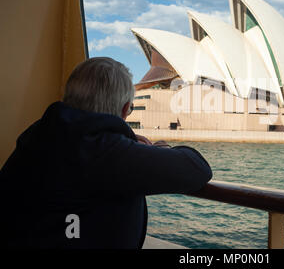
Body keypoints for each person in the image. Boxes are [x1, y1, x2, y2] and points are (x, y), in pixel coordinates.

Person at [0, 57, 213, 249]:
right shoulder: (105, 151)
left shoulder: (41, 132)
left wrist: (126, 143)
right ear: (124, 108)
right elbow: (196, 168)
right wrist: (161, 149)